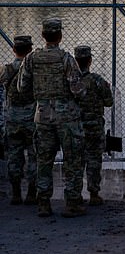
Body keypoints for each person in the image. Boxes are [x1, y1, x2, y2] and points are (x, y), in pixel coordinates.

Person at [17, 18, 87, 218]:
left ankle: (43, 203)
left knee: (44, 160)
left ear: (43, 36)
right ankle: (72, 203)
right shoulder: (66, 59)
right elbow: (78, 90)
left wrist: (41, 98)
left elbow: (22, 88)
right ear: (60, 36)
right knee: (72, 160)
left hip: (42, 116)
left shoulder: (31, 59)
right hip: (67, 118)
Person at [74, 45, 113, 206]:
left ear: (75, 62)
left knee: (75, 161)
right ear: (90, 61)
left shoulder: (70, 81)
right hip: (95, 126)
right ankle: (94, 193)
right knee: (94, 160)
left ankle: (75, 194)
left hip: (75, 126)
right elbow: (109, 102)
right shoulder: (98, 81)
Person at [0, 35, 37, 205]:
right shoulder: (35, 71)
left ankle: (16, 193)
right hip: (32, 119)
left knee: (14, 156)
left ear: (14, 50)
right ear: (30, 50)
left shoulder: (5, 70)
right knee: (34, 155)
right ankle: (31, 192)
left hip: (12, 119)